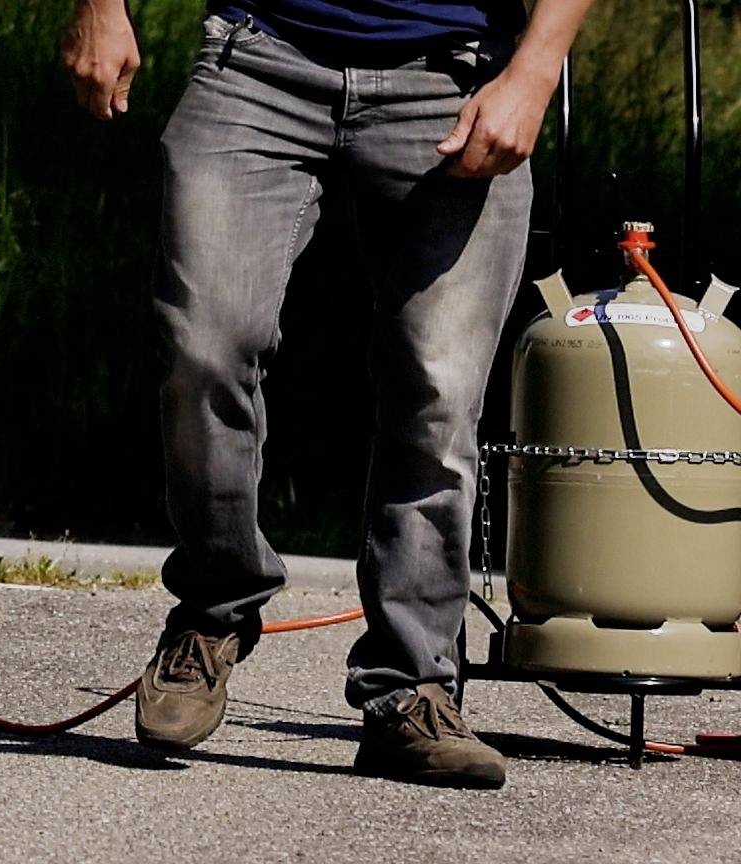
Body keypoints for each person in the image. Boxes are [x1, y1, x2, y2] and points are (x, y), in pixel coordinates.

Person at [63, 0, 595, 789]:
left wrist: (535, 68)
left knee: (439, 399)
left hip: (454, 74)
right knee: (203, 348)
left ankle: (410, 691)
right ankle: (213, 611)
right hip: (259, 57)